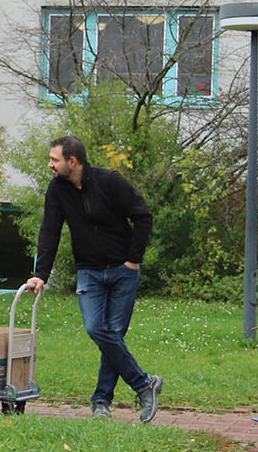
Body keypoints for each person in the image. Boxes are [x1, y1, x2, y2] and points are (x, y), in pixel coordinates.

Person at [21, 135, 163, 423]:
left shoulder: (110, 181)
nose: (50, 165)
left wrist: (133, 260)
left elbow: (143, 217)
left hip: (124, 271)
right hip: (89, 272)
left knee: (113, 335)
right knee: (98, 329)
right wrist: (41, 275)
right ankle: (144, 383)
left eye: (54, 159)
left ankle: (101, 402)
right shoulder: (57, 189)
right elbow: (50, 231)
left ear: (72, 161)